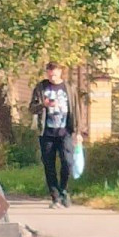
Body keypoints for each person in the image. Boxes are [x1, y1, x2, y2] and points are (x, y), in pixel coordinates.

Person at [28, 61, 79, 208]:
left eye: (55, 73)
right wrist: (43, 104)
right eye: (50, 74)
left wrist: (78, 131)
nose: (52, 76)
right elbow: (32, 108)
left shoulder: (69, 88)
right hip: (47, 133)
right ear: (47, 73)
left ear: (60, 72)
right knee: (49, 165)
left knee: (67, 162)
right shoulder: (41, 88)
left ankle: (64, 190)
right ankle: (55, 196)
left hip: (65, 131)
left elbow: (76, 110)